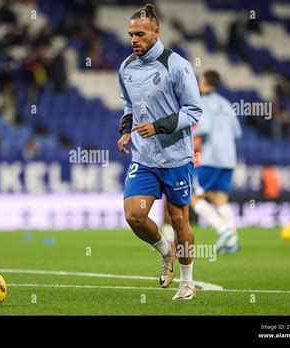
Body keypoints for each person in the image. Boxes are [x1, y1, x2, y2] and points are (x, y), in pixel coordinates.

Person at [117, 4, 202, 300]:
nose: (134, 39)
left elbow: (194, 111)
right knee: (133, 216)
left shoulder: (177, 65)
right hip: (144, 157)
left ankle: (187, 282)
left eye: (140, 34)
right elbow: (128, 105)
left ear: (156, 33)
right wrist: (126, 130)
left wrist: (157, 126)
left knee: (179, 222)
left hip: (176, 157)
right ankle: (166, 253)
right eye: (130, 34)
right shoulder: (126, 67)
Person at [191, 70, 242, 253]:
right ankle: (232, 242)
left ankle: (223, 230)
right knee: (221, 199)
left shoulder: (203, 103)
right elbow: (238, 133)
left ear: (204, 82)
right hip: (229, 158)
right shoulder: (226, 104)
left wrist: (185, 133)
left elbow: (204, 128)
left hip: (211, 157)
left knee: (191, 194)